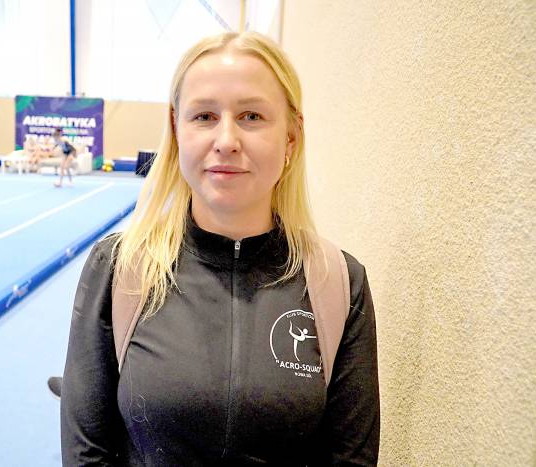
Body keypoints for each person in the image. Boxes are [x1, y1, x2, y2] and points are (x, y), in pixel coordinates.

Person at [60, 31, 380, 466]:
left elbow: (350, 459)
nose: (226, 140)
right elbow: (87, 455)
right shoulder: (119, 269)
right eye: (205, 116)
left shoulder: (339, 284)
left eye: (251, 116)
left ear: (290, 137)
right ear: (177, 130)